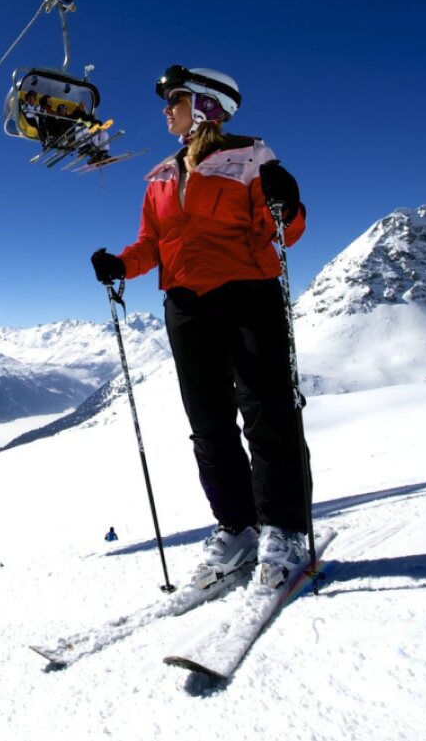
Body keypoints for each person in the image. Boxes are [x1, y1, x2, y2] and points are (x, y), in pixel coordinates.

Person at [89, 64, 311, 589]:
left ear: (207, 104)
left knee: (267, 411)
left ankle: (284, 529)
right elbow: (152, 243)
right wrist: (122, 264)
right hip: (186, 305)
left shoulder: (252, 157)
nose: (167, 109)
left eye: (176, 99)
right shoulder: (163, 176)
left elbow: (280, 228)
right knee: (208, 423)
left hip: (249, 294)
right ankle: (237, 527)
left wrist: (288, 203)